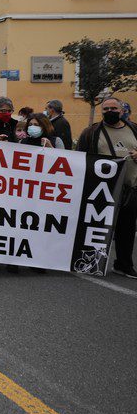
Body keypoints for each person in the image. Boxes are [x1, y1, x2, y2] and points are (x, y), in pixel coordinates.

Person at [76, 97, 137, 278]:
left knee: (127, 229)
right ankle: (89, 261)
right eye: (106, 108)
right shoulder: (91, 132)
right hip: (102, 190)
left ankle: (124, 265)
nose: (110, 111)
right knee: (97, 227)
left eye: (114, 108)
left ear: (122, 110)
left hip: (130, 189)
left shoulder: (133, 129)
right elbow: (81, 158)